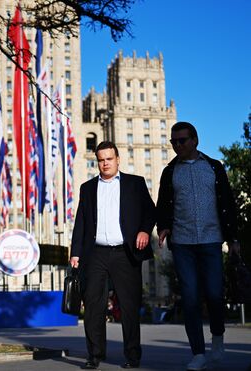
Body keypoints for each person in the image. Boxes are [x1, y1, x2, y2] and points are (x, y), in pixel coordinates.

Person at [157, 121, 240, 371]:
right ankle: (198, 353)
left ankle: (217, 336)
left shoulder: (214, 167)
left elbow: (228, 202)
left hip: (212, 240)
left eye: (182, 141)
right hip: (182, 244)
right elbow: (162, 204)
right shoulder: (170, 172)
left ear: (195, 140)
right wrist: (163, 226)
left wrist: (233, 238)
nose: (177, 146)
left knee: (215, 295)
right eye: (173, 142)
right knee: (191, 299)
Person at [70, 141, 155, 370]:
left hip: (125, 253)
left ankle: (132, 356)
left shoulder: (135, 184)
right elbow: (81, 222)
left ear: (118, 159)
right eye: (101, 159)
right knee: (93, 307)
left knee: (128, 307)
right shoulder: (87, 188)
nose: (105, 163)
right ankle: (95, 355)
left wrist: (145, 230)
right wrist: (75, 252)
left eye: (109, 158)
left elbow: (150, 211)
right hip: (95, 253)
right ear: (96, 161)